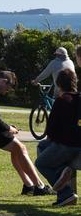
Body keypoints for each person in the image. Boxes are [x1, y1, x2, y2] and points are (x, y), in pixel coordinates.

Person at [35, 68, 81, 206]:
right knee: (41, 146)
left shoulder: (61, 101)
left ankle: (65, 193)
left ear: (58, 84)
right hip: (78, 142)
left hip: (66, 145)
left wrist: (52, 139)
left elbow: (51, 129)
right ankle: (61, 172)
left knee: (41, 163)